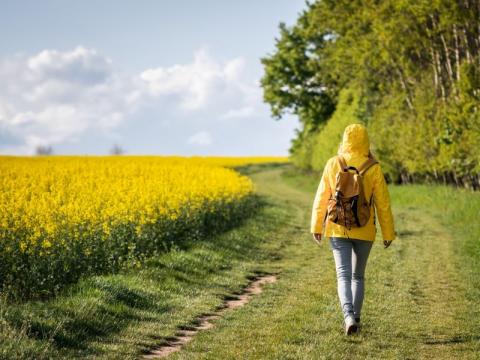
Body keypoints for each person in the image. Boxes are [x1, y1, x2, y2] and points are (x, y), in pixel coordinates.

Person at [310, 123, 395, 335]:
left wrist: (316, 225)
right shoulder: (373, 167)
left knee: (343, 275)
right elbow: (383, 203)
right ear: (366, 141)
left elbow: (322, 197)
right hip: (365, 230)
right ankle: (356, 317)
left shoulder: (333, 163)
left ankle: (348, 317)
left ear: (345, 140)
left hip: (338, 227)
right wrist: (388, 233)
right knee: (358, 276)